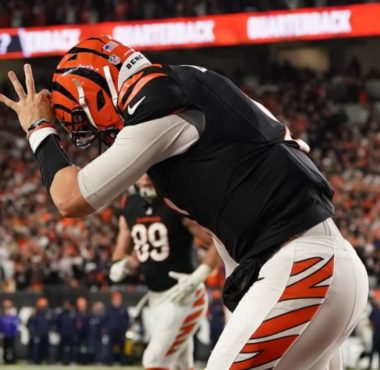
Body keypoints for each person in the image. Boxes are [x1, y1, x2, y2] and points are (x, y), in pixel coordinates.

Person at [0, 35, 369, 369]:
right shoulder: (195, 81)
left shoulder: (160, 105)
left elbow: (70, 198)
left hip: (302, 268)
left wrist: (39, 129)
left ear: (96, 91)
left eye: (84, 120)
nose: (98, 136)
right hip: (322, 263)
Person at [109, 174, 219, 369]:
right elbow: (120, 251)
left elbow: (218, 242)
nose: (144, 176)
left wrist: (199, 275)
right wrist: (121, 265)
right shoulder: (130, 204)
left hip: (184, 295)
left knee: (153, 360)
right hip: (155, 297)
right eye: (140, 169)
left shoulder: (174, 202)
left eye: (150, 169)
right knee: (180, 364)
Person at [0, 299, 19, 364]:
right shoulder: (2, 314)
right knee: (5, 347)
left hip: (12, 333)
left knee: (12, 347)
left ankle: (13, 359)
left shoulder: (14, 312)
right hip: (4, 334)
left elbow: (16, 322)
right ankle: (5, 359)